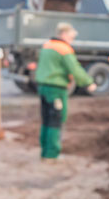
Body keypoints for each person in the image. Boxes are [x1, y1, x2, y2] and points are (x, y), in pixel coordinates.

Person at [34, 22, 95, 160]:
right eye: (71, 37)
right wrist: (88, 83)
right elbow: (75, 69)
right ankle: (51, 155)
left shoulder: (47, 45)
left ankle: (44, 152)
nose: (72, 40)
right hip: (56, 89)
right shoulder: (64, 49)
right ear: (64, 34)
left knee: (47, 119)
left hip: (43, 87)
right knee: (56, 119)